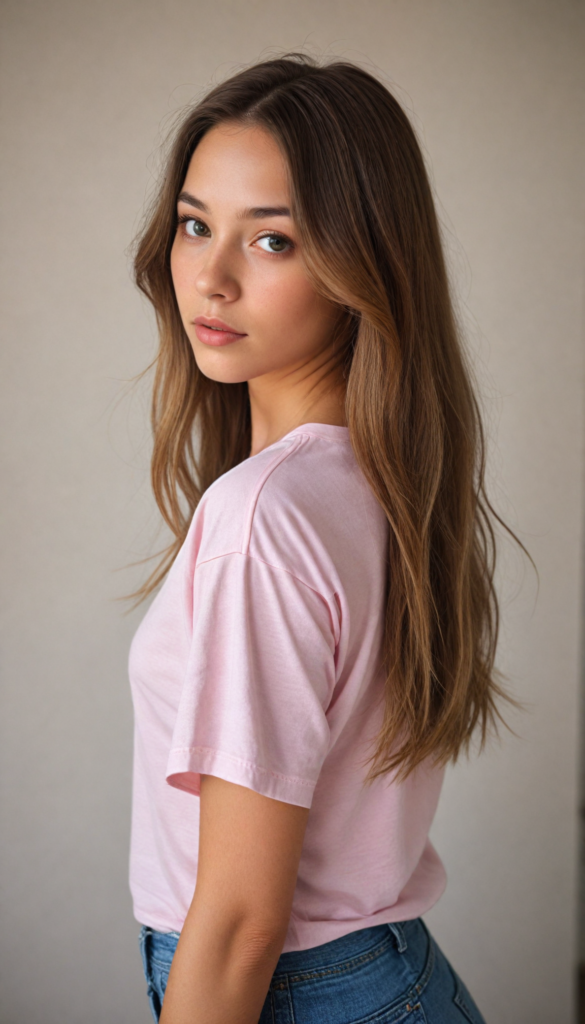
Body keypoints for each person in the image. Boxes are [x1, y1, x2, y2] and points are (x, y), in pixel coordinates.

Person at [128, 52, 525, 1024]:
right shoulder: (380, 481)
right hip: (389, 978)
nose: (210, 278)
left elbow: (237, 921)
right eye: (194, 225)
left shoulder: (263, 514)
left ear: (362, 263)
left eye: (272, 242)